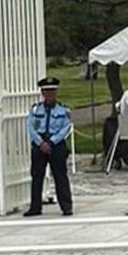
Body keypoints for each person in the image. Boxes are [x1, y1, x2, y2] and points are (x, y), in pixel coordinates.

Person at [25, 76, 74, 216]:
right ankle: (35, 207)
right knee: (37, 176)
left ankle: (66, 206)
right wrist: (40, 142)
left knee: (60, 176)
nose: (50, 94)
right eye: (47, 91)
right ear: (42, 92)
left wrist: (51, 142)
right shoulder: (36, 110)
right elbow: (31, 127)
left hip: (56, 144)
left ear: (56, 92)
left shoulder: (63, 110)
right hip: (40, 144)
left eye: (52, 91)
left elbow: (66, 128)